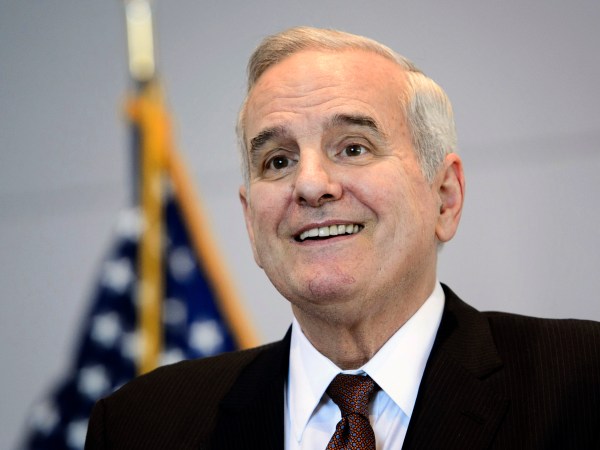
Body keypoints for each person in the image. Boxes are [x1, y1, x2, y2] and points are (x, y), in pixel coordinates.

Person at [85, 26, 600, 449]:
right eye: (278, 161)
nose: (310, 185)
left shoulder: (582, 383)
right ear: (250, 222)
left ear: (444, 197)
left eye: (354, 148)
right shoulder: (139, 427)